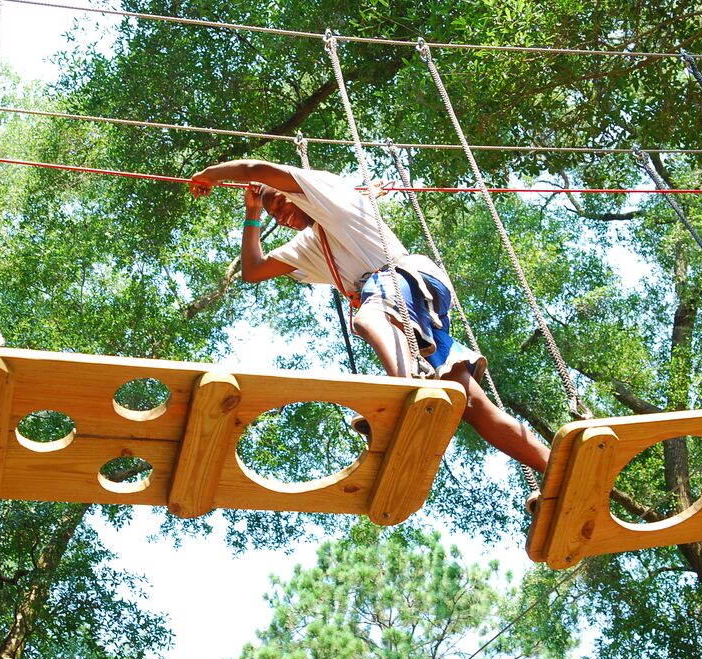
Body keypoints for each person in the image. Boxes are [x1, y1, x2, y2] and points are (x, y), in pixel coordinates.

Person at [189, 159, 550, 474]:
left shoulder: (331, 195)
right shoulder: (311, 246)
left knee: (366, 318)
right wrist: (253, 215)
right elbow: (253, 270)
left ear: (297, 191)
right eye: (274, 215)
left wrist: (211, 174)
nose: (281, 215)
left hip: (404, 281)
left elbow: (257, 170)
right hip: (410, 310)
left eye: (281, 202)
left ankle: (410, 393)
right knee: (472, 405)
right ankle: (553, 468)